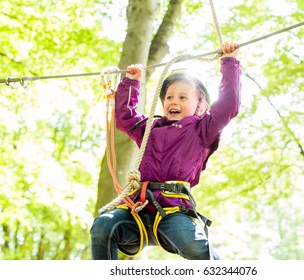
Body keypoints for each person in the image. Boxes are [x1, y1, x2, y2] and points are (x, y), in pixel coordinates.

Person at [91, 42, 241, 260]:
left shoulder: (202, 129)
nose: (174, 101)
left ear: (199, 106)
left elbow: (229, 105)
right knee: (103, 225)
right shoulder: (149, 128)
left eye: (183, 97)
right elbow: (125, 118)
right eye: (169, 97)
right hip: (138, 209)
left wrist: (230, 62)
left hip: (173, 211)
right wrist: (132, 83)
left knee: (196, 248)